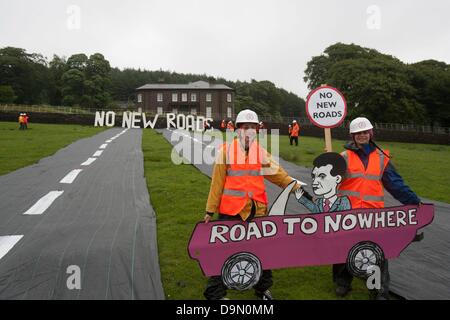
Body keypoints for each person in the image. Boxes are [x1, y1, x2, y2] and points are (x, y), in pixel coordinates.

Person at [203, 109, 302, 300]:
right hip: (231, 211)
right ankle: (215, 294)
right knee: (224, 253)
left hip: (257, 212)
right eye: (245, 127)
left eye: (252, 128)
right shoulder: (225, 151)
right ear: (237, 130)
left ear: (257, 130)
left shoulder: (261, 153)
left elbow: (279, 176)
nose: (248, 131)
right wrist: (209, 210)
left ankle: (263, 289)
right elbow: (217, 183)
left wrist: (297, 188)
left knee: (262, 252)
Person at [335, 117, 421, 300]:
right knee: (344, 250)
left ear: (370, 134)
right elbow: (328, 184)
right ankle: (343, 283)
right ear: (352, 135)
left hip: (373, 216)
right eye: (358, 133)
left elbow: (396, 184)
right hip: (347, 214)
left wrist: (413, 202)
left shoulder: (381, 158)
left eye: (365, 132)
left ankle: (379, 291)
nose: (362, 135)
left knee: (376, 253)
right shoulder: (343, 157)